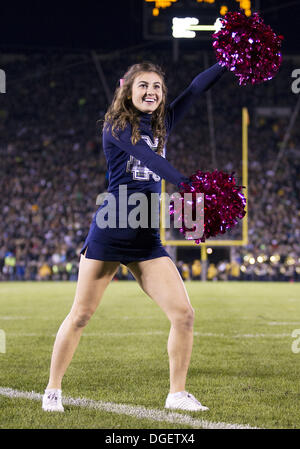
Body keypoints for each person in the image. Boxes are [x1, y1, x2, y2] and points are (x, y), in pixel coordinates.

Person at [42, 60, 226, 413]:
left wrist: (226, 62)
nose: (151, 92)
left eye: (157, 86)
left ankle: (176, 393)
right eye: (143, 85)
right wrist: (188, 185)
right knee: (81, 314)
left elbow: (195, 89)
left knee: (184, 314)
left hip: (145, 238)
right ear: (127, 90)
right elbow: (149, 160)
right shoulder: (116, 126)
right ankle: (52, 389)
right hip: (111, 232)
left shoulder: (164, 123)